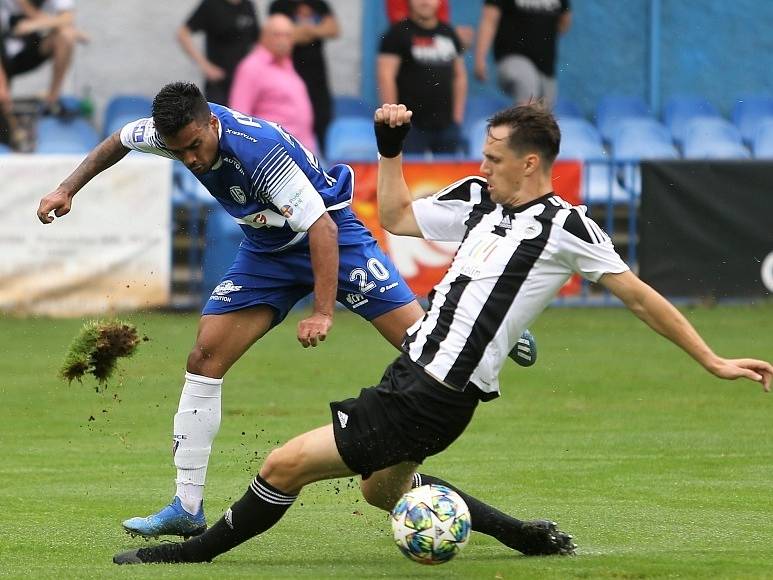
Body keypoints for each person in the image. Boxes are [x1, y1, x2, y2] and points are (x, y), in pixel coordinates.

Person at [111, 102, 773, 566]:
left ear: (531, 163)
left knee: (283, 465)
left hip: (431, 390)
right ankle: (522, 536)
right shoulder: (480, 197)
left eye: (492, 158)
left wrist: (711, 359)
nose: (482, 165)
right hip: (423, 378)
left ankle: (186, 553)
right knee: (381, 491)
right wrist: (388, 150)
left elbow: (641, 299)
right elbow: (396, 217)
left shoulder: (567, 229)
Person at [36, 82, 538, 541]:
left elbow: (320, 227)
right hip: (267, 250)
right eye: (179, 150)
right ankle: (186, 507)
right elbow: (118, 140)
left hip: (334, 238)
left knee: (425, 345)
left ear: (212, 122)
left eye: (195, 146)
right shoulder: (172, 133)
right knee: (204, 359)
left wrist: (322, 311)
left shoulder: (258, 154)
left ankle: (490, 330)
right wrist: (66, 189)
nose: (190, 158)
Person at [378, 0, 466, 156]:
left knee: (449, 178)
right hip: (409, 125)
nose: (425, 1)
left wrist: (457, 118)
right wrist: (393, 119)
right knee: (408, 177)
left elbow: (460, 76)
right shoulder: (397, 33)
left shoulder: (449, 33)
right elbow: (386, 76)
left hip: (446, 125)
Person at [229, 13, 316, 153]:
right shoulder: (252, 67)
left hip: (302, 151)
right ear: (263, 36)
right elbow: (238, 118)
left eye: (288, 35)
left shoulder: (287, 65)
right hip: (274, 155)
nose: (283, 40)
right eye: (277, 35)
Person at [268, 0, 338, 155]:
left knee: (323, 123)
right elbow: (286, 36)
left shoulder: (318, 4)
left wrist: (306, 30)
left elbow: (333, 29)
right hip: (291, 74)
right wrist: (315, 29)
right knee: (291, 124)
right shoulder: (279, 5)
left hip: (318, 79)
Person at [475, 0, 572, 107]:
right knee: (527, 87)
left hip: (545, 66)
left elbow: (565, 20)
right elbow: (489, 21)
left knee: (543, 111)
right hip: (512, 58)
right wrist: (480, 59)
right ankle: (524, 118)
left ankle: (522, 120)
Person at [0, 0, 86, 114]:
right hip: (4, 51)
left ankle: (52, 100)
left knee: (66, 36)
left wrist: (34, 24)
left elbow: (68, 18)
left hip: (29, 49)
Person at [177, 0, 260, 106]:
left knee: (243, 118)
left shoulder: (248, 5)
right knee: (216, 118)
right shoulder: (211, 4)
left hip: (243, 80)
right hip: (218, 81)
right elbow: (183, 33)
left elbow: (258, 40)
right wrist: (205, 65)